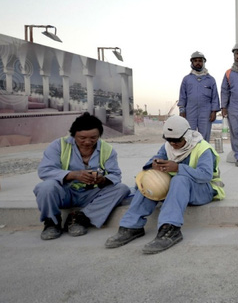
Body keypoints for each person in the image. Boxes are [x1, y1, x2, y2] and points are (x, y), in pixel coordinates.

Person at [105, 116, 225, 254]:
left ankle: (170, 229)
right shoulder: (167, 147)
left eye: (177, 140)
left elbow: (205, 175)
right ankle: (131, 226)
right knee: (150, 180)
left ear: (186, 135)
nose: (173, 144)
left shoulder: (203, 148)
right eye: (169, 140)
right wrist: (154, 164)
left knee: (180, 179)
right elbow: (153, 160)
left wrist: (178, 168)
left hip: (203, 190)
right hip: (177, 191)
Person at [33, 112, 130, 240]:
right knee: (45, 187)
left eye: (93, 138)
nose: (87, 142)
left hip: (90, 194)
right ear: (73, 135)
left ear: (99, 136)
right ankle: (52, 222)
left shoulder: (108, 150)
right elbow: (45, 170)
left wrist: (103, 180)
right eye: (82, 138)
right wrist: (73, 175)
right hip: (65, 192)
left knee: (122, 188)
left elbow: (116, 175)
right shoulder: (58, 145)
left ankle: (80, 218)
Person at [178, 51, 220, 142]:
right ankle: (190, 155)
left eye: (200, 61)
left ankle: (203, 154)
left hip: (206, 112)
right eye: (195, 61)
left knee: (204, 135)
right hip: (190, 112)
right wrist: (182, 111)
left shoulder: (211, 80)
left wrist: (214, 112)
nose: (198, 63)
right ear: (192, 63)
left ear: (204, 62)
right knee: (189, 134)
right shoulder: (187, 79)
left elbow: (215, 97)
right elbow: (182, 96)